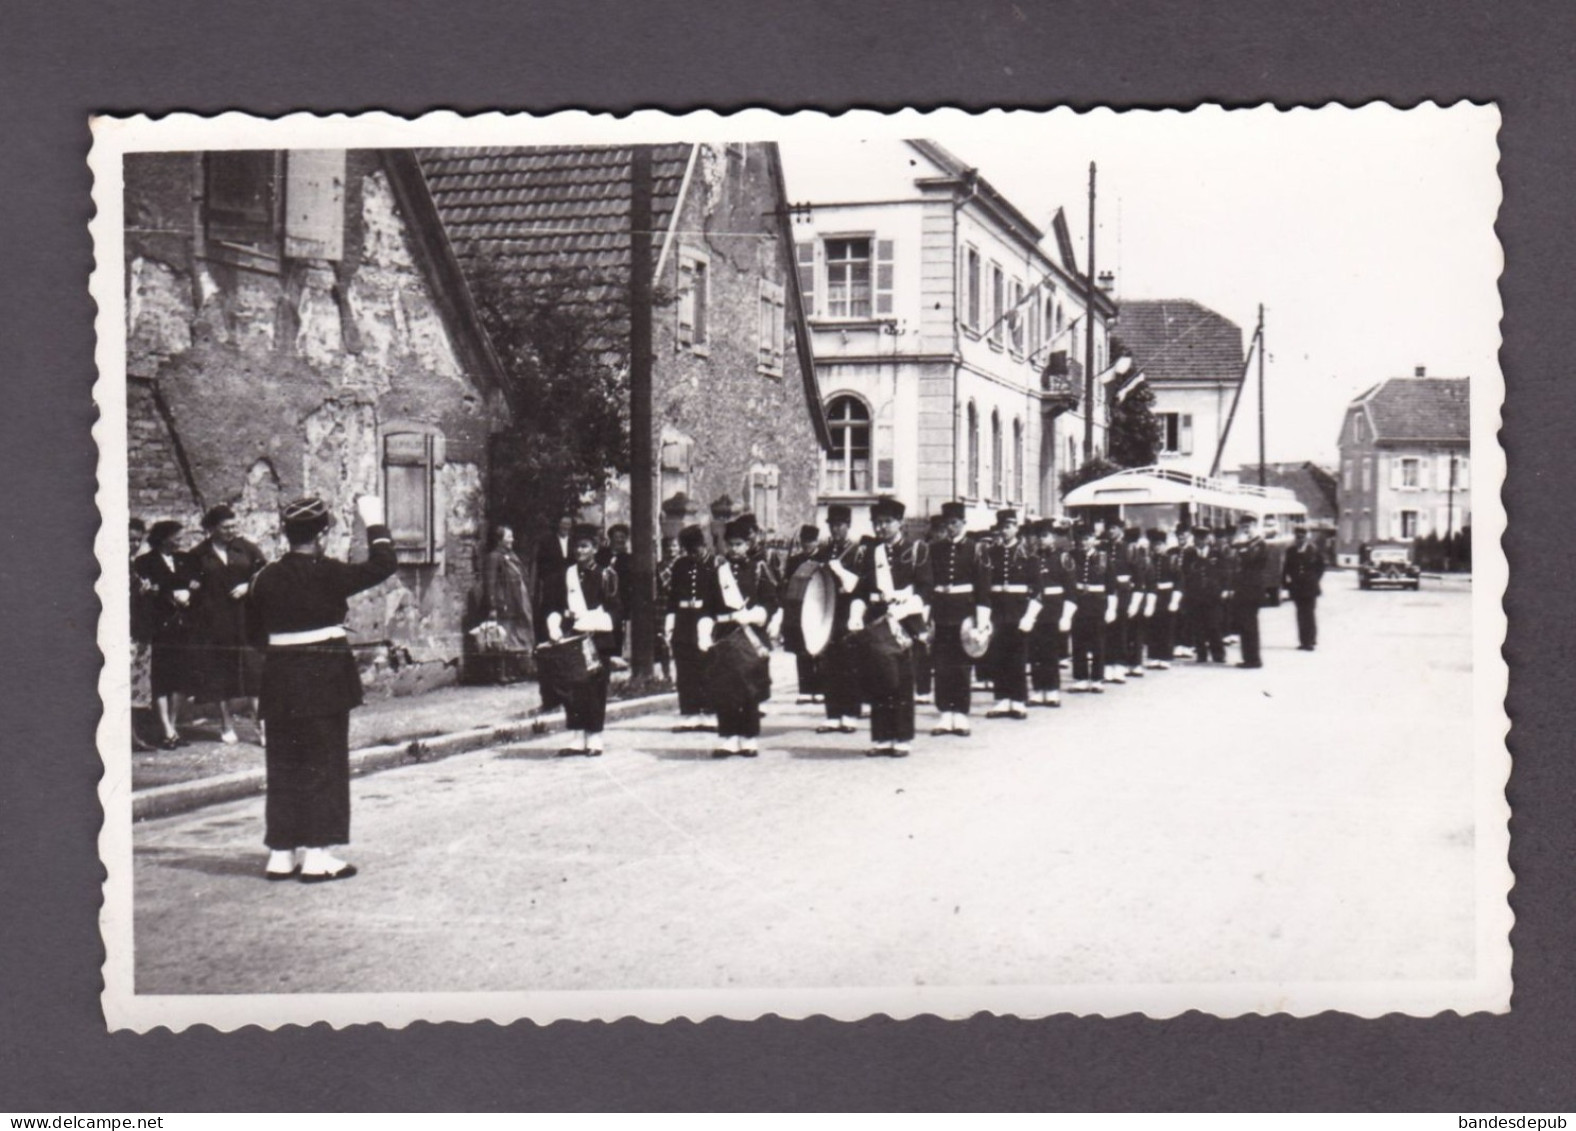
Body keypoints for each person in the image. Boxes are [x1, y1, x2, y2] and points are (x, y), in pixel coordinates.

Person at [248, 495, 396, 882]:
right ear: (322, 534)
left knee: (282, 766)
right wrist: (374, 521)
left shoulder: (264, 577)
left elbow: (252, 634)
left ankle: (281, 855)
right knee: (323, 764)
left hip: (279, 680)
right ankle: (317, 856)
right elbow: (384, 563)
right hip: (323, 678)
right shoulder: (328, 572)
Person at [847, 497, 931, 756]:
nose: (881, 528)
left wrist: (904, 608)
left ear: (900, 523)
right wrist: (856, 612)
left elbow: (925, 589)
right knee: (878, 680)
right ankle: (882, 738)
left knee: (901, 682)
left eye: (887, 522)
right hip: (877, 621)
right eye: (877, 523)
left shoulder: (916, 550)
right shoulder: (871, 553)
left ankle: (901, 738)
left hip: (904, 621)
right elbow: (861, 589)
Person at [188, 504, 267, 744]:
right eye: (225, 527)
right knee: (218, 674)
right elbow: (190, 583)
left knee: (254, 674)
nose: (231, 530)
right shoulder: (199, 554)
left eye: (234, 526)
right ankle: (226, 724)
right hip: (214, 623)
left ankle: (262, 727)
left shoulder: (246, 549)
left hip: (246, 620)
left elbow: (265, 573)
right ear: (212, 529)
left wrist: (248, 586)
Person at [703, 517, 779, 757]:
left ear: (748, 544)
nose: (734, 549)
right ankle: (728, 736)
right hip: (725, 634)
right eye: (731, 544)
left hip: (750, 635)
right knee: (725, 687)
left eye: (739, 544)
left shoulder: (758, 569)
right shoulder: (717, 572)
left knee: (749, 688)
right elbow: (707, 607)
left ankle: (748, 737)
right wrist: (704, 632)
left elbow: (771, 602)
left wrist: (757, 615)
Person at [542, 524, 621, 755]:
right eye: (577, 546)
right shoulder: (565, 576)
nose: (580, 551)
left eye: (585, 546)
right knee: (573, 687)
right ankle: (577, 736)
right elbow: (554, 605)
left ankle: (595, 736)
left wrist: (598, 620)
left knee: (595, 688)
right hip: (573, 637)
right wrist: (554, 625)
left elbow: (616, 610)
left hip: (597, 638)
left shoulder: (606, 575)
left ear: (595, 548)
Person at [135, 520, 201, 749]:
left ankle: (173, 727)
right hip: (160, 627)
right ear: (164, 538)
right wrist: (170, 593)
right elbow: (147, 592)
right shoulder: (145, 562)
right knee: (161, 678)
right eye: (177, 536)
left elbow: (197, 581)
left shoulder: (185, 560)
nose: (181, 540)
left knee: (180, 678)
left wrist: (193, 588)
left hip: (183, 627)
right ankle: (166, 729)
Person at [926, 501, 988, 736]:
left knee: (962, 665)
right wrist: (927, 616)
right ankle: (945, 713)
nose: (950, 528)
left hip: (964, 613)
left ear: (963, 523)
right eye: (947, 524)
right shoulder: (935, 548)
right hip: (941, 612)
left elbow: (983, 588)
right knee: (941, 665)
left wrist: (981, 622)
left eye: (954, 523)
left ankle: (960, 714)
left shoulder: (976, 549)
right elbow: (929, 585)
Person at [982, 508, 1042, 720]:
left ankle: (1018, 700)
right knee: (998, 655)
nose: (1005, 531)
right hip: (998, 609)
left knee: (1017, 656)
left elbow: (1037, 589)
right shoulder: (992, 554)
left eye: (1008, 527)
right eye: (1001, 528)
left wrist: (1029, 616)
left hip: (1018, 610)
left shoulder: (1028, 554)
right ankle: (1002, 699)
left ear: (1016, 528)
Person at [816, 504, 865, 735]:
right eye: (832, 525)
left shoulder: (857, 551)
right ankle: (833, 714)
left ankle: (850, 713)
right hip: (829, 609)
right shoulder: (824, 550)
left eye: (840, 525)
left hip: (848, 609)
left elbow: (859, 584)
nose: (835, 530)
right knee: (829, 663)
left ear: (848, 526)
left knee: (850, 664)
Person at [665, 524, 718, 732]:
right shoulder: (680, 565)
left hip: (706, 619)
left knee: (708, 668)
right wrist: (670, 622)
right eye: (689, 550)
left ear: (704, 545)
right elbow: (673, 597)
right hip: (684, 622)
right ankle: (689, 713)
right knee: (685, 670)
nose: (694, 554)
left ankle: (710, 712)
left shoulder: (715, 565)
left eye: (697, 549)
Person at [1027, 519, 1074, 707]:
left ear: (1053, 537)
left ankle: (1053, 690)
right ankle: (1038, 690)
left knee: (1051, 652)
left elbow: (1070, 589)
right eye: (1038, 537)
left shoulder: (1063, 558)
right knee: (1035, 651)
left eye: (1045, 536)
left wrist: (1066, 615)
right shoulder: (1032, 558)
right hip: (1034, 609)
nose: (1041, 540)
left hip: (1054, 609)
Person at [479, 524, 533, 684]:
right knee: (501, 638)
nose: (512, 540)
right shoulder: (494, 557)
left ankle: (509, 672)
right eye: (509, 537)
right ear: (500, 539)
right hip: (503, 603)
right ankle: (500, 674)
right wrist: (492, 606)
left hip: (513, 602)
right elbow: (490, 582)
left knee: (510, 638)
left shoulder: (510, 555)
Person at [1068, 524, 1115, 693]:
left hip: (1097, 603)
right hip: (1079, 602)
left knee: (1098, 642)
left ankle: (1097, 678)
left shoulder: (1103, 557)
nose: (1084, 542)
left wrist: (1111, 608)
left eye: (1087, 539)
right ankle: (1080, 678)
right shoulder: (1072, 556)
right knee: (1078, 640)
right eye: (1081, 539)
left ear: (1094, 540)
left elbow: (1111, 585)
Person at [782, 523, 824, 705]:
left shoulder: (824, 558)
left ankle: (820, 689)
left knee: (820, 649)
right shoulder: (794, 561)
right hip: (799, 607)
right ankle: (805, 690)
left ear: (817, 541)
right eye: (805, 541)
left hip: (818, 606)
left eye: (811, 541)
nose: (807, 545)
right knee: (802, 649)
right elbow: (787, 584)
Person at [128, 518, 158, 752]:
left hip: (138, 630)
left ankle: (133, 735)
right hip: (124, 632)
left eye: (138, 539)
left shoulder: (132, 565)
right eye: (130, 539)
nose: (134, 544)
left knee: (136, 684)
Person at [1183, 525, 1229, 664]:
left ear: (1208, 539)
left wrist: (1225, 589)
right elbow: (1185, 573)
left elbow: (1224, 573)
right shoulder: (1189, 554)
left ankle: (1218, 654)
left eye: (1203, 538)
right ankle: (1201, 654)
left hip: (1213, 595)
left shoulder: (1216, 554)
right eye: (1198, 538)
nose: (1200, 541)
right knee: (1198, 626)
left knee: (1214, 625)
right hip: (1195, 595)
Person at [1231, 515, 1268, 669]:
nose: (1246, 529)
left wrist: (1240, 547)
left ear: (1255, 526)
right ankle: (1248, 657)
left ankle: (1253, 659)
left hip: (1252, 590)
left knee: (1249, 625)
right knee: (1245, 625)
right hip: (1243, 589)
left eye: (1249, 526)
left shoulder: (1259, 543)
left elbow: (1249, 559)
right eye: (1244, 526)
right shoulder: (1247, 543)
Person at [1283, 523, 1326, 650]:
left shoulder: (1313, 550)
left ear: (1306, 537)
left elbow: (1321, 567)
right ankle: (1303, 641)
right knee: (1300, 614)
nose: (1299, 540)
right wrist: (1286, 583)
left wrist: (1314, 579)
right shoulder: (1291, 551)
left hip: (1310, 587)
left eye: (1302, 537)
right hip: (1296, 587)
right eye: (1297, 537)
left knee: (1309, 613)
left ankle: (1310, 640)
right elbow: (1287, 568)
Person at [1102, 520, 1132, 685]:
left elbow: (1135, 571)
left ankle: (1120, 666)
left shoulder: (1129, 548)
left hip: (1122, 592)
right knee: (1107, 629)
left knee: (1120, 628)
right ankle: (1107, 665)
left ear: (1121, 529)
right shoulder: (1104, 548)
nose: (1110, 531)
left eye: (1113, 527)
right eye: (1109, 528)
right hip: (1107, 592)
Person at [1144, 528, 1179, 669]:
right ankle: (1153, 656)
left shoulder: (1171, 560)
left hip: (1166, 595)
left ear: (1165, 545)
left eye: (1159, 544)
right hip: (1152, 595)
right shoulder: (1148, 560)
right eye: (1154, 544)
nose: (1157, 547)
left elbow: (1179, 580)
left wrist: (1175, 600)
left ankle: (1165, 657)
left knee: (1167, 627)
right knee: (1153, 626)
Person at [1121, 526, 1151, 679]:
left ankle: (1134, 662)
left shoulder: (1137, 554)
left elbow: (1142, 577)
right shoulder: (1141, 552)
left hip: (1135, 594)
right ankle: (1133, 663)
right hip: (1133, 594)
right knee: (1132, 631)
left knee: (1134, 631)